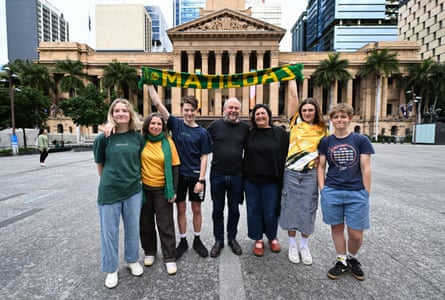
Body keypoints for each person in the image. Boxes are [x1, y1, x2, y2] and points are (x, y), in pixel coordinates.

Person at [148, 85, 212, 259]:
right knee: (181, 208)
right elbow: (158, 104)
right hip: (179, 177)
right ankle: (183, 240)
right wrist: (148, 84)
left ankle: (197, 239)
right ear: (182, 110)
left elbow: (204, 157)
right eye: (186, 110)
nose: (189, 113)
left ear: (197, 111)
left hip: (196, 177)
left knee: (197, 209)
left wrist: (201, 180)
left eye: (192, 110)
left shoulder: (203, 133)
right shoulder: (175, 124)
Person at [317, 103, 374, 281]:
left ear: (350, 118)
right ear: (331, 119)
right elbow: (321, 166)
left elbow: (366, 168)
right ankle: (341, 259)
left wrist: (366, 192)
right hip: (332, 190)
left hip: (356, 191)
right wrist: (323, 189)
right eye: (336, 117)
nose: (339, 120)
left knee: (356, 234)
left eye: (343, 116)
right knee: (337, 228)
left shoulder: (360, 140)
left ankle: (352, 257)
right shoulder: (326, 141)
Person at [93, 98, 144, 289]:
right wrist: (108, 180)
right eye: (117, 111)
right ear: (112, 114)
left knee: (132, 228)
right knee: (109, 232)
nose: (121, 113)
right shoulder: (103, 138)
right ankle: (111, 268)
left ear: (130, 114)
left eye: (124, 110)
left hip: (133, 189)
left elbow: (139, 161)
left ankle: (131, 260)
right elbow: (100, 163)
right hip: (109, 191)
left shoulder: (137, 137)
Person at [279, 80, 328, 265]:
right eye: (305, 110)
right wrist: (291, 77)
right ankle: (292, 244)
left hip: (311, 174)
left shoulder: (323, 129)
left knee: (308, 208)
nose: (307, 113)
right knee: (290, 207)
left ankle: (304, 245)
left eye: (310, 110)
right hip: (291, 172)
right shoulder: (295, 122)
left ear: (316, 111)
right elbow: (293, 96)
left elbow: (324, 153)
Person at [243, 103, 289, 257]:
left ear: (269, 115)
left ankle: (272, 236)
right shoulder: (249, 134)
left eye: (263, 113)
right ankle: (258, 239)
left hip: (272, 180)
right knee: (253, 210)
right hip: (251, 180)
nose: (260, 116)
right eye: (257, 114)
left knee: (271, 211)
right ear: (253, 118)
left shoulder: (280, 133)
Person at [207, 97, 249, 258]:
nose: (233, 111)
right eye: (230, 108)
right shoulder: (215, 126)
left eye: (236, 108)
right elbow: (202, 144)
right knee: (217, 209)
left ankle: (232, 238)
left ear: (240, 110)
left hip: (237, 175)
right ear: (224, 109)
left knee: (234, 210)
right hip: (217, 174)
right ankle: (218, 240)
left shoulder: (245, 128)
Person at [139, 113, 181, 275]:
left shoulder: (168, 142)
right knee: (145, 223)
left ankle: (169, 257)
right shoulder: (141, 141)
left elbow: (175, 166)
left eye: (159, 124)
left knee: (165, 224)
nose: (156, 126)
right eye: (153, 123)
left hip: (163, 189)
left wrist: (174, 190)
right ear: (147, 125)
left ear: (163, 127)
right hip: (143, 189)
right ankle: (150, 251)